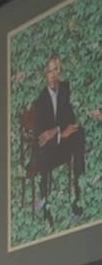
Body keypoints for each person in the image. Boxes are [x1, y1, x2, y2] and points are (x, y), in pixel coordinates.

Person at [27, 54, 91, 218]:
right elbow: (41, 137)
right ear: (45, 75)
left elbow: (69, 119)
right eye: (50, 71)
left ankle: (77, 197)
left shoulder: (65, 89)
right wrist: (59, 133)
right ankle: (44, 201)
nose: (54, 75)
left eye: (57, 70)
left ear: (60, 71)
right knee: (45, 146)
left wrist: (56, 132)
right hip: (46, 151)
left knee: (78, 134)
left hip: (62, 144)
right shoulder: (40, 100)